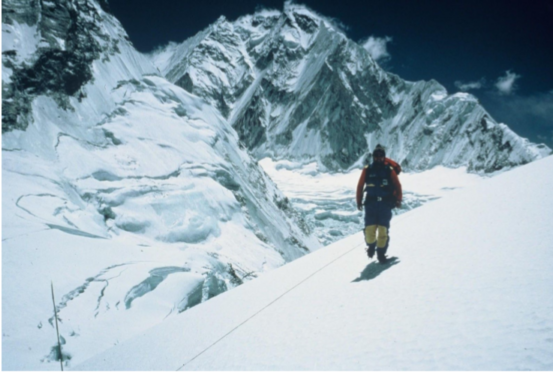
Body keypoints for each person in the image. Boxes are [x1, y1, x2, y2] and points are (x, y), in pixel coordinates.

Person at [356, 145, 402, 263]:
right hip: (370, 204)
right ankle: (371, 246)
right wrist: (359, 200)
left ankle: (381, 254)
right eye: (377, 156)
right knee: (370, 232)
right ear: (373, 157)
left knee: (383, 231)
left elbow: (397, 185)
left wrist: (398, 199)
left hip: (385, 205)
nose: (379, 158)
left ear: (384, 157)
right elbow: (360, 185)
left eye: (381, 156)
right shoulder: (367, 169)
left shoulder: (389, 171)